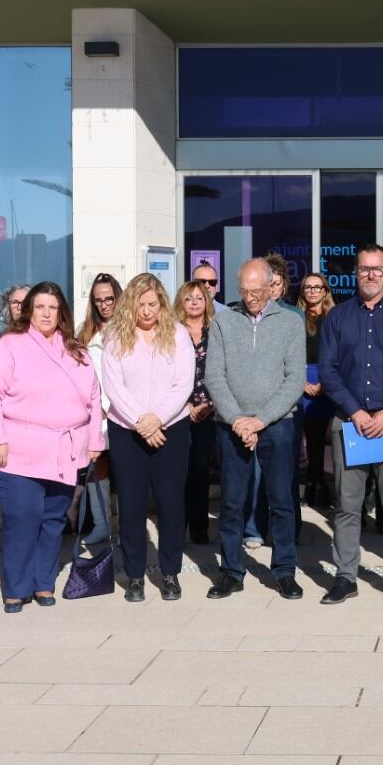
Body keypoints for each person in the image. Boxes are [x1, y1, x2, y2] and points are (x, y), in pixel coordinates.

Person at [0, 282, 104, 612]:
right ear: (29, 311)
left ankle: (43, 583)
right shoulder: (10, 345)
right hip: (17, 449)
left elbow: (93, 398)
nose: (47, 313)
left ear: (61, 311)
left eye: (53, 307)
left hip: (65, 450)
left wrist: (95, 441)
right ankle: (16, 587)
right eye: (40, 307)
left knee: (53, 519)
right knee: (23, 518)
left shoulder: (77, 350)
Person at [317, 244, 383, 605]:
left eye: (377, 268)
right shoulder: (338, 317)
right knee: (348, 507)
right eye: (364, 268)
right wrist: (356, 412)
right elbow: (328, 371)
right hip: (350, 423)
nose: (371, 274)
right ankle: (345, 576)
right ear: (355, 272)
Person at [204, 258, 309, 600]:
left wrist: (261, 419)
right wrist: (237, 419)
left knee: (281, 502)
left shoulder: (291, 324)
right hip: (231, 426)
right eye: (244, 290)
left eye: (256, 290)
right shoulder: (223, 321)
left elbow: (295, 379)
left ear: (271, 286)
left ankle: (284, 571)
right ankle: (231, 572)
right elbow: (214, 376)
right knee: (232, 503)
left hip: (277, 425)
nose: (249, 297)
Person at [102, 273, 195, 602]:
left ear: (162, 304)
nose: (147, 310)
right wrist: (142, 421)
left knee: (171, 504)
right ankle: (135, 576)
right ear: (131, 304)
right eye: (140, 304)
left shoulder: (178, 334)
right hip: (128, 430)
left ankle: (170, 573)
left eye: (153, 304)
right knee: (130, 505)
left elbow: (184, 383)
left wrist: (158, 419)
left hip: (171, 427)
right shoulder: (115, 337)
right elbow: (113, 386)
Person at [76, 274, 120, 550]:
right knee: (96, 467)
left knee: (127, 472)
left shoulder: (131, 329)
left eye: (109, 299)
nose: (104, 305)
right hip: (94, 413)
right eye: (98, 300)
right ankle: (103, 525)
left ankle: (128, 529)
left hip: (123, 411)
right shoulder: (85, 332)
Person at [174, 280, 217, 546]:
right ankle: (178, 528)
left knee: (201, 472)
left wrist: (209, 404)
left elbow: (224, 369)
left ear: (206, 301)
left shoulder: (217, 331)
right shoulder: (172, 332)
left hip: (208, 411)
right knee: (179, 474)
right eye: (188, 298)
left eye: (199, 298)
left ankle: (200, 529)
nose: (194, 302)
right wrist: (184, 405)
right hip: (178, 411)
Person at [299, 272, 337, 509]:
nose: (313, 291)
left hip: (328, 379)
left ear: (325, 291)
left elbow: (338, 353)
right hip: (302, 378)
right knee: (309, 436)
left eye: (317, 287)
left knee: (324, 435)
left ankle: (319, 482)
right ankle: (315, 483)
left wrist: (325, 382)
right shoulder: (296, 318)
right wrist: (302, 382)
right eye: (308, 287)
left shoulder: (335, 318)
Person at [0, 284, 29, 359]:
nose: (20, 307)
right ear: (8, 307)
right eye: (15, 302)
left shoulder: (44, 340)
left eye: (25, 303)